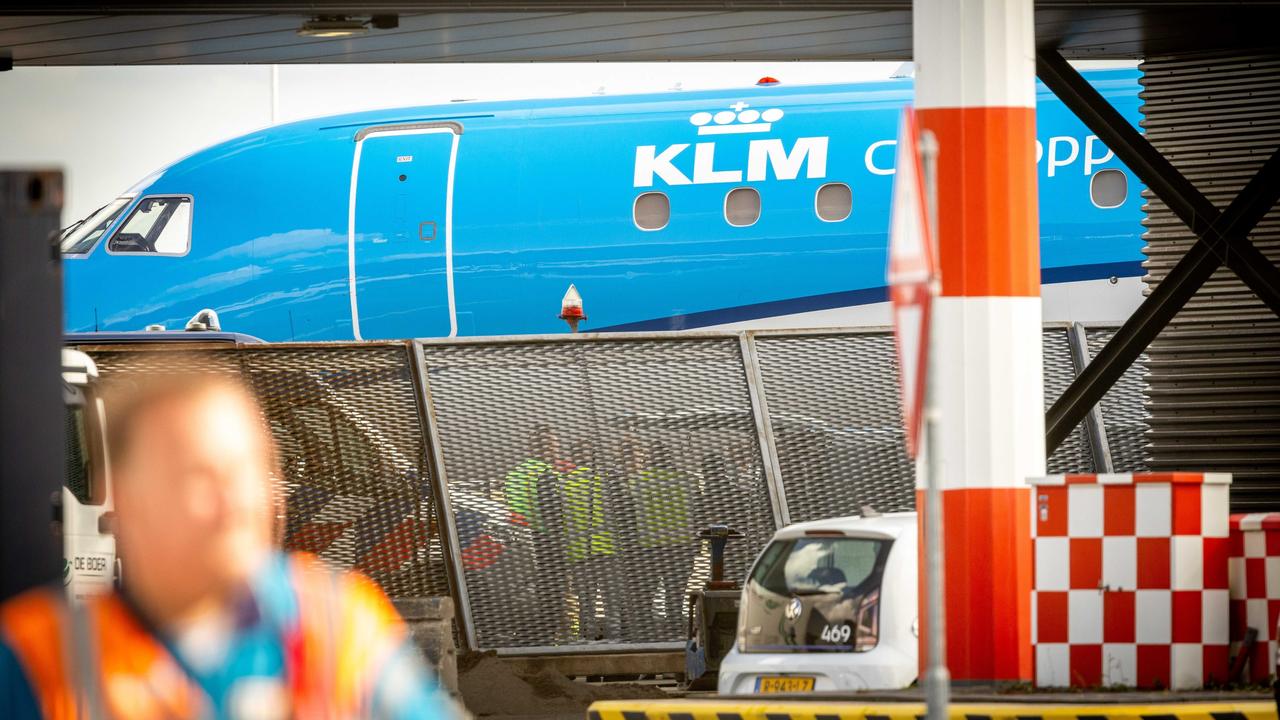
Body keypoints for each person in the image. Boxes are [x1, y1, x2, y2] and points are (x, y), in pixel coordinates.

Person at [0, 373, 456, 719]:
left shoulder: (338, 622)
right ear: (120, 496)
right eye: (198, 476)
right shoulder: (37, 656)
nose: (234, 500)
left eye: (247, 470)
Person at [627, 442, 694, 637]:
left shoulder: (638, 481)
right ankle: (674, 634)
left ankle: (647, 636)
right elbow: (696, 510)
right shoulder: (686, 480)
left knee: (647, 596)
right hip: (681, 547)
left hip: (650, 548)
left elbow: (631, 513)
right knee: (675, 596)